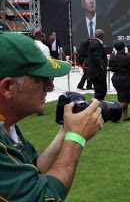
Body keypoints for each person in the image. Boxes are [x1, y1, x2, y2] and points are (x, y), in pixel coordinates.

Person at [0, 31, 103, 201]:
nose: (50, 85)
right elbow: (43, 197)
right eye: (41, 78)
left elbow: (36, 169)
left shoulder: (8, 125)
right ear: (8, 88)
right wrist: (76, 138)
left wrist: (65, 131)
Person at [109, 41, 130, 121]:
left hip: (116, 80)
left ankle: (125, 116)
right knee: (127, 100)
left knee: (122, 98)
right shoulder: (128, 58)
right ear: (123, 48)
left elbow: (111, 67)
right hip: (126, 80)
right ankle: (112, 112)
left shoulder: (113, 58)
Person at [88, 29, 108, 100]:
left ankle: (97, 107)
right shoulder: (97, 44)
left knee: (99, 92)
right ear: (102, 36)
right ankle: (98, 107)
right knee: (101, 92)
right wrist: (106, 67)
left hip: (94, 71)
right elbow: (98, 58)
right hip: (98, 72)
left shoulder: (92, 43)